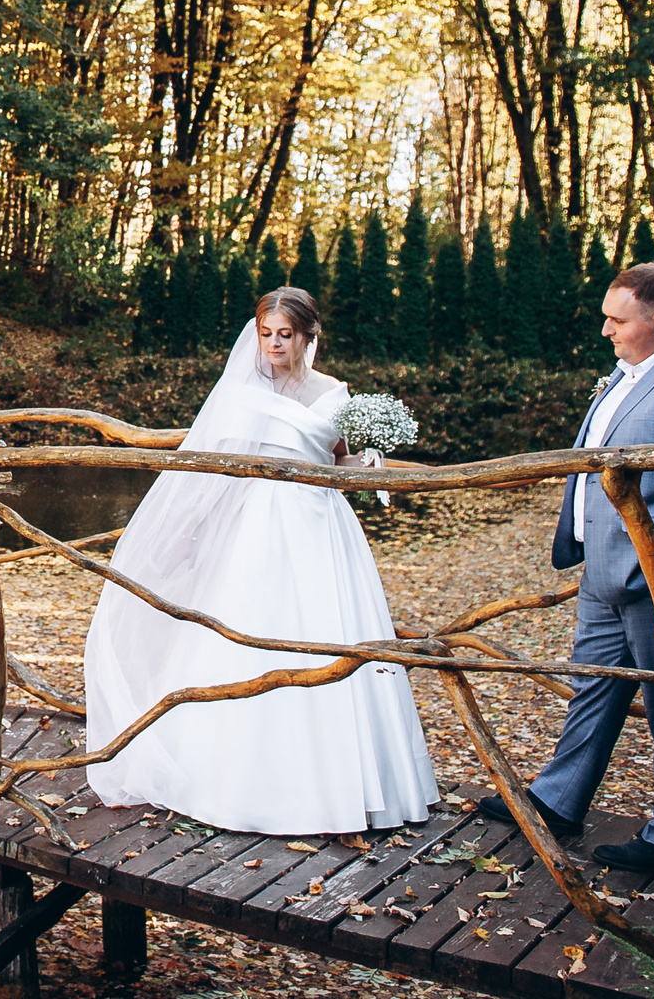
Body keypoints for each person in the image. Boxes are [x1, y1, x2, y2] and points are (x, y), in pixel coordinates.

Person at [82, 287, 437, 835]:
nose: (273, 344)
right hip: (255, 531)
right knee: (247, 637)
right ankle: (239, 780)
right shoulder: (242, 391)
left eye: (285, 335)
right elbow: (210, 468)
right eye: (266, 333)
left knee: (331, 639)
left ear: (308, 337)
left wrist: (367, 460)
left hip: (321, 530)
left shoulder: (335, 393)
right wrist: (186, 533)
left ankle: (346, 784)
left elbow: (336, 460)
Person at [478, 261, 654, 873]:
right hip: (603, 570)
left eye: (616, 319)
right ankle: (558, 800)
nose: (606, 331)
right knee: (592, 689)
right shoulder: (630, 373)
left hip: (653, 579)